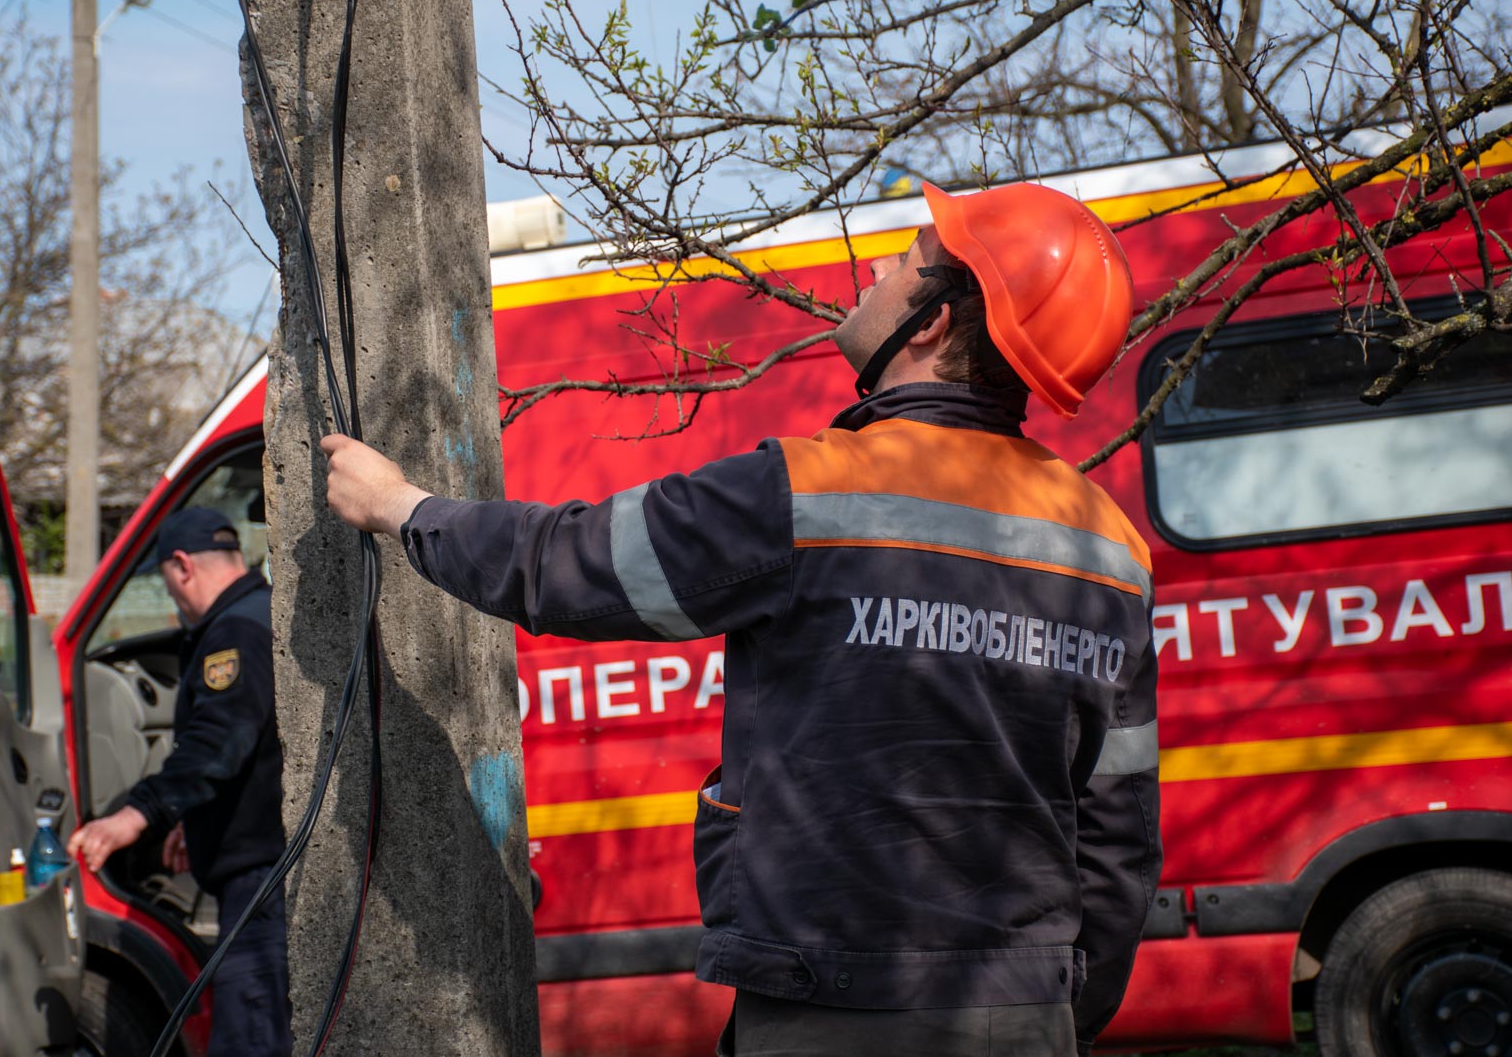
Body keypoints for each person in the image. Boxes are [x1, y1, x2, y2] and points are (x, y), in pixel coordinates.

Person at [321, 182, 1160, 1056]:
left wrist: (403, 508)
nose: (877, 265)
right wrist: (1056, 1007)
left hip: (828, 1010)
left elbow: (566, 564)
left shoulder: (803, 493)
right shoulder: (1112, 549)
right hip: (1025, 1016)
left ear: (931, 324)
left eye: (905, 258)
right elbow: (1117, 835)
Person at [68, 506, 292, 1057]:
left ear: (183, 566)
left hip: (259, 888)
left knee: (250, 1043)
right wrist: (195, 822)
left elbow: (219, 744)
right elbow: (255, 751)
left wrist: (136, 814)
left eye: (166, 581)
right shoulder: (256, 614)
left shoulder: (233, 631)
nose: (169, 595)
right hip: (263, 873)